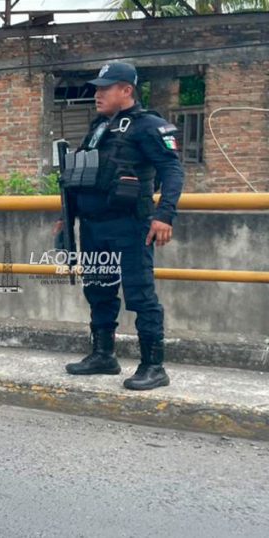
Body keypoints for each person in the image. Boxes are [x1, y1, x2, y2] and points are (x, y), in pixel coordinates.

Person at [57, 62, 184, 391]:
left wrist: (164, 215)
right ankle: (103, 355)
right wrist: (67, 215)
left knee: (141, 295)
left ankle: (154, 366)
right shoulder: (99, 127)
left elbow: (172, 171)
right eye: (97, 88)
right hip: (94, 226)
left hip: (131, 225)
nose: (97, 94)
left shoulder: (149, 126)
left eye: (105, 87)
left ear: (126, 90)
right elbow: (82, 173)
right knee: (98, 291)